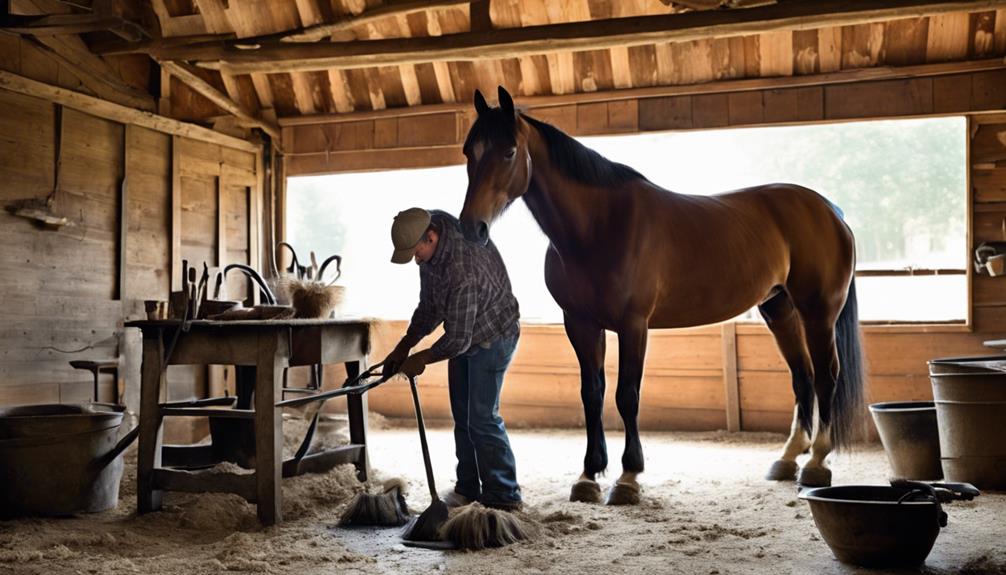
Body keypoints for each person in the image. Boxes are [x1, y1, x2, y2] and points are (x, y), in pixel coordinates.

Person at [383, 207, 522, 511]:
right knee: (463, 417)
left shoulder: (462, 267)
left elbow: (457, 339)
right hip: (465, 332)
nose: (416, 259)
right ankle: (468, 487)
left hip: (494, 333)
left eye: (416, 253)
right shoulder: (429, 238)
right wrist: (404, 346)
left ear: (430, 237)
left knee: (482, 418)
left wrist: (421, 358)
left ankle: (504, 495)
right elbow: (429, 307)